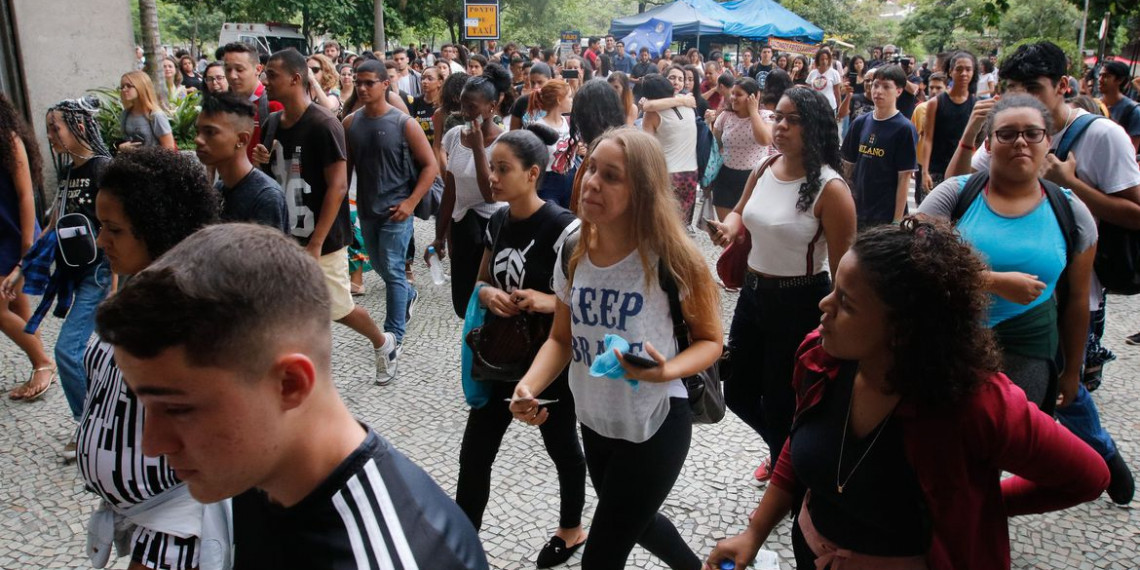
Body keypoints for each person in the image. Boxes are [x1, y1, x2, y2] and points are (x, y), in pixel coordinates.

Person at [706, 218, 1110, 570]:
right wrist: (754, 533)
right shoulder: (821, 356)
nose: (824, 304)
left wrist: (981, 506)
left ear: (902, 329)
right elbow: (802, 440)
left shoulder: (976, 403)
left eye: (846, 301)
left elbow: (1088, 476)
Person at [94, 223, 490, 569]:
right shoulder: (255, 469)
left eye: (178, 408)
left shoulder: (389, 556)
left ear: (288, 385)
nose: (150, 445)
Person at [509, 128, 722, 570]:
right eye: (590, 169)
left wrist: (665, 371)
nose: (591, 183)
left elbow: (710, 342)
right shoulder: (573, 250)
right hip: (597, 421)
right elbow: (561, 339)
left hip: (654, 424)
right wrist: (527, 387)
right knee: (637, 521)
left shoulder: (673, 258)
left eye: (611, 176)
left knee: (601, 557)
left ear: (642, 191)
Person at [946, 41, 1139, 506]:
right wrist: (973, 135)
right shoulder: (1008, 132)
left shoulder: (1101, 136)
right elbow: (954, 189)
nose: (1021, 98)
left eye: (1033, 88)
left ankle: (1098, 456)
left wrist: (1069, 186)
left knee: (1059, 389)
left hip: (1077, 289)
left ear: (1062, 88)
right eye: (1013, 88)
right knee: (1018, 407)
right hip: (989, 313)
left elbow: (1135, 212)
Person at [77, 147, 221, 570]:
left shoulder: (190, 314)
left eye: (113, 229)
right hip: (142, 516)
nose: (101, 240)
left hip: (178, 522)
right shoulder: (136, 293)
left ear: (156, 228)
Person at [707, 86, 856, 487]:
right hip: (753, 294)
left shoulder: (831, 189)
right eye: (778, 117)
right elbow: (740, 212)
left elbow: (846, 267)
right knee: (736, 389)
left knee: (779, 399)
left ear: (817, 128)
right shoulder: (764, 168)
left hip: (800, 300)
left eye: (793, 119)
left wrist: (839, 321)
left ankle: (786, 475)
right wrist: (728, 228)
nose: (781, 126)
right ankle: (788, 453)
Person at [455, 126, 588, 569]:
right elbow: (482, 279)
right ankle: (460, 542)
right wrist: (487, 293)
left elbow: (582, 299)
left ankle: (571, 528)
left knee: (562, 445)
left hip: (547, 358)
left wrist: (547, 300)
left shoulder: (564, 228)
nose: (493, 176)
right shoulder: (497, 219)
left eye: (503, 168)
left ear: (533, 173)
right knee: (475, 452)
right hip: (499, 353)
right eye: (492, 167)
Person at [917, 94, 1097, 419]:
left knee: (1012, 447)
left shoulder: (1072, 212)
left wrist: (1072, 371)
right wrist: (991, 281)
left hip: (1029, 353)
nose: (1021, 142)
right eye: (1007, 133)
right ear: (988, 142)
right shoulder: (953, 195)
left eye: (1032, 133)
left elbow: (1078, 300)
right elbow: (906, 262)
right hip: (949, 349)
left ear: (1048, 141)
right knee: (946, 452)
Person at [252, 48, 397, 382]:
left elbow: (338, 185)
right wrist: (262, 160)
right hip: (286, 232)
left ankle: (383, 341)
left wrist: (317, 242)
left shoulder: (323, 123)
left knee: (337, 308)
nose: (265, 81)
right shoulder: (273, 122)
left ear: (295, 78)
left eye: (272, 75)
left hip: (323, 237)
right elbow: (275, 175)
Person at [1, 97, 114, 456]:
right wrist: (21, 269)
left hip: (98, 274)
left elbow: (117, 225)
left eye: (56, 128)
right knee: (97, 352)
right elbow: (51, 225)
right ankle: (102, 420)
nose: (49, 136)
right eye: (48, 127)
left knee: (68, 349)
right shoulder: (68, 175)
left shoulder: (103, 170)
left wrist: (114, 284)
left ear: (79, 127)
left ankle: (89, 427)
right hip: (74, 274)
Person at [343, 60, 439, 384]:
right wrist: (343, 204)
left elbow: (430, 166)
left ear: (386, 84)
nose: (362, 88)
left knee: (395, 269)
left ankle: (392, 338)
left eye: (369, 82)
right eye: (359, 82)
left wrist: (410, 204)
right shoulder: (350, 123)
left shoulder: (404, 123)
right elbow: (346, 170)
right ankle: (408, 296)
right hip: (368, 211)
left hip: (397, 212)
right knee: (381, 267)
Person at [432, 73, 507, 318]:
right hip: (462, 227)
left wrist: (477, 148)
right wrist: (439, 237)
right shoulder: (454, 136)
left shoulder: (504, 144)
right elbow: (450, 191)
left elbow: (490, 195)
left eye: (472, 107)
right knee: (463, 304)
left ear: (491, 107)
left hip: (492, 229)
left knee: (488, 301)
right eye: (463, 105)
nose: (465, 113)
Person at [0, 93, 52, 401]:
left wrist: (26, 249)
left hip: (17, 233)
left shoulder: (9, 139)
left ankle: (44, 362)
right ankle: (40, 364)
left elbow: (25, 195)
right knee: (16, 303)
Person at [195, 92, 287, 232]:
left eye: (210, 132)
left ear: (242, 139)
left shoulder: (266, 197)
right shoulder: (219, 189)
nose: (198, 140)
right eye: (198, 132)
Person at [841, 64, 919, 229]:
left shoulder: (904, 128)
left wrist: (897, 221)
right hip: (858, 210)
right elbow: (848, 166)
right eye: (876, 85)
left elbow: (904, 178)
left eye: (886, 87)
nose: (878, 91)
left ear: (898, 91)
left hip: (885, 215)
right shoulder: (860, 123)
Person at [706, 77, 773, 221]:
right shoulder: (725, 116)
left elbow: (765, 140)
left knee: (747, 231)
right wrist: (708, 123)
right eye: (733, 93)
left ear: (754, 96)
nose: (733, 98)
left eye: (739, 94)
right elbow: (715, 146)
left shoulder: (766, 116)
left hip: (754, 177)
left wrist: (753, 112)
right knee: (726, 230)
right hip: (725, 176)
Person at [919, 50, 978, 201]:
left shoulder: (976, 105)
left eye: (968, 69)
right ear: (950, 72)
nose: (964, 73)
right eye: (959, 69)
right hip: (937, 169)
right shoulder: (936, 103)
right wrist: (925, 171)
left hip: (964, 171)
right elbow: (928, 138)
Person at [641, 74, 699, 227]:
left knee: (662, 225)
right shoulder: (687, 102)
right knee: (681, 224)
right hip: (691, 172)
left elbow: (648, 148)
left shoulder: (652, 114)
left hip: (666, 174)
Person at [221, 42, 284, 163]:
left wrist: (274, 151)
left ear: (258, 69)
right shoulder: (224, 104)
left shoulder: (274, 104)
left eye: (239, 69)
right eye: (228, 69)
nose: (232, 76)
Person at [524, 80, 575, 207]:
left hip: (570, 178)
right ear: (559, 100)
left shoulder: (569, 121)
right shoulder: (538, 127)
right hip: (547, 182)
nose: (571, 100)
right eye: (569, 97)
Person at [910, 71, 947, 204]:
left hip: (945, 166)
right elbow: (913, 138)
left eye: (939, 88)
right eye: (931, 88)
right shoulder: (920, 109)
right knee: (921, 202)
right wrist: (913, 165)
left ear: (947, 89)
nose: (934, 91)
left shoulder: (953, 111)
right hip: (922, 165)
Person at [117, 71, 176, 151]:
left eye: (129, 86)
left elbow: (169, 149)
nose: (124, 89)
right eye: (122, 86)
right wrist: (121, 148)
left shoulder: (155, 116)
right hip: (130, 162)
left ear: (141, 86)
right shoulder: (126, 114)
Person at [1099, 61, 1140, 153]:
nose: (1100, 79)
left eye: (1106, 76)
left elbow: (1131, 151)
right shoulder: (1095, 104)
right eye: (1100, 75)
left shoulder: (1134, 112)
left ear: (1119, 80)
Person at [509, 62, 553, 131]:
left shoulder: (557, 101)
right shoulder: (522, 102)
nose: (536, 86)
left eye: (540, 82)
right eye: (532, 83)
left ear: (550, 80)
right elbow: (513, 133)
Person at [807, 48, 842, 114]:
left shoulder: (834, 73)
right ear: (818, 60)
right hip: (814, 106)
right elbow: (808, 90)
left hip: (830, 107)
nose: (824, 61)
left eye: (826, 59)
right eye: (822, 59)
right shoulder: (812, 73)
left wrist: (840, 107)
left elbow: (837, 92)